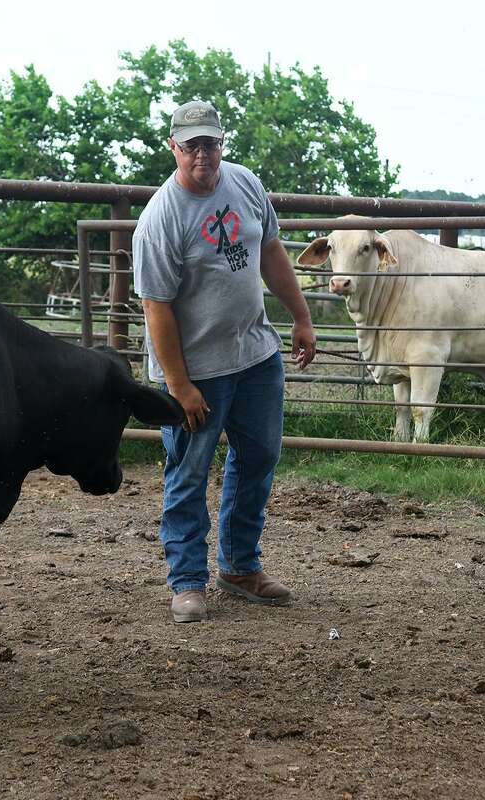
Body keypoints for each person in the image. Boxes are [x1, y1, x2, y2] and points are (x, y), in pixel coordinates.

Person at [132, 100, 317, 623]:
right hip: (198, 371)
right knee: (188, 471)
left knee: (259, 458)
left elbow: (271, 251)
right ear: (174, 148)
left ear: (222, 144)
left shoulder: (245, 184)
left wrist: (300, 317)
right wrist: (179, 385)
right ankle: (188, 581)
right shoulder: (160, 220)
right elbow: (156, 308)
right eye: (192, 146)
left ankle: (239, 567)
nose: (204, 155)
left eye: (211, 143)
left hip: (255, 354)